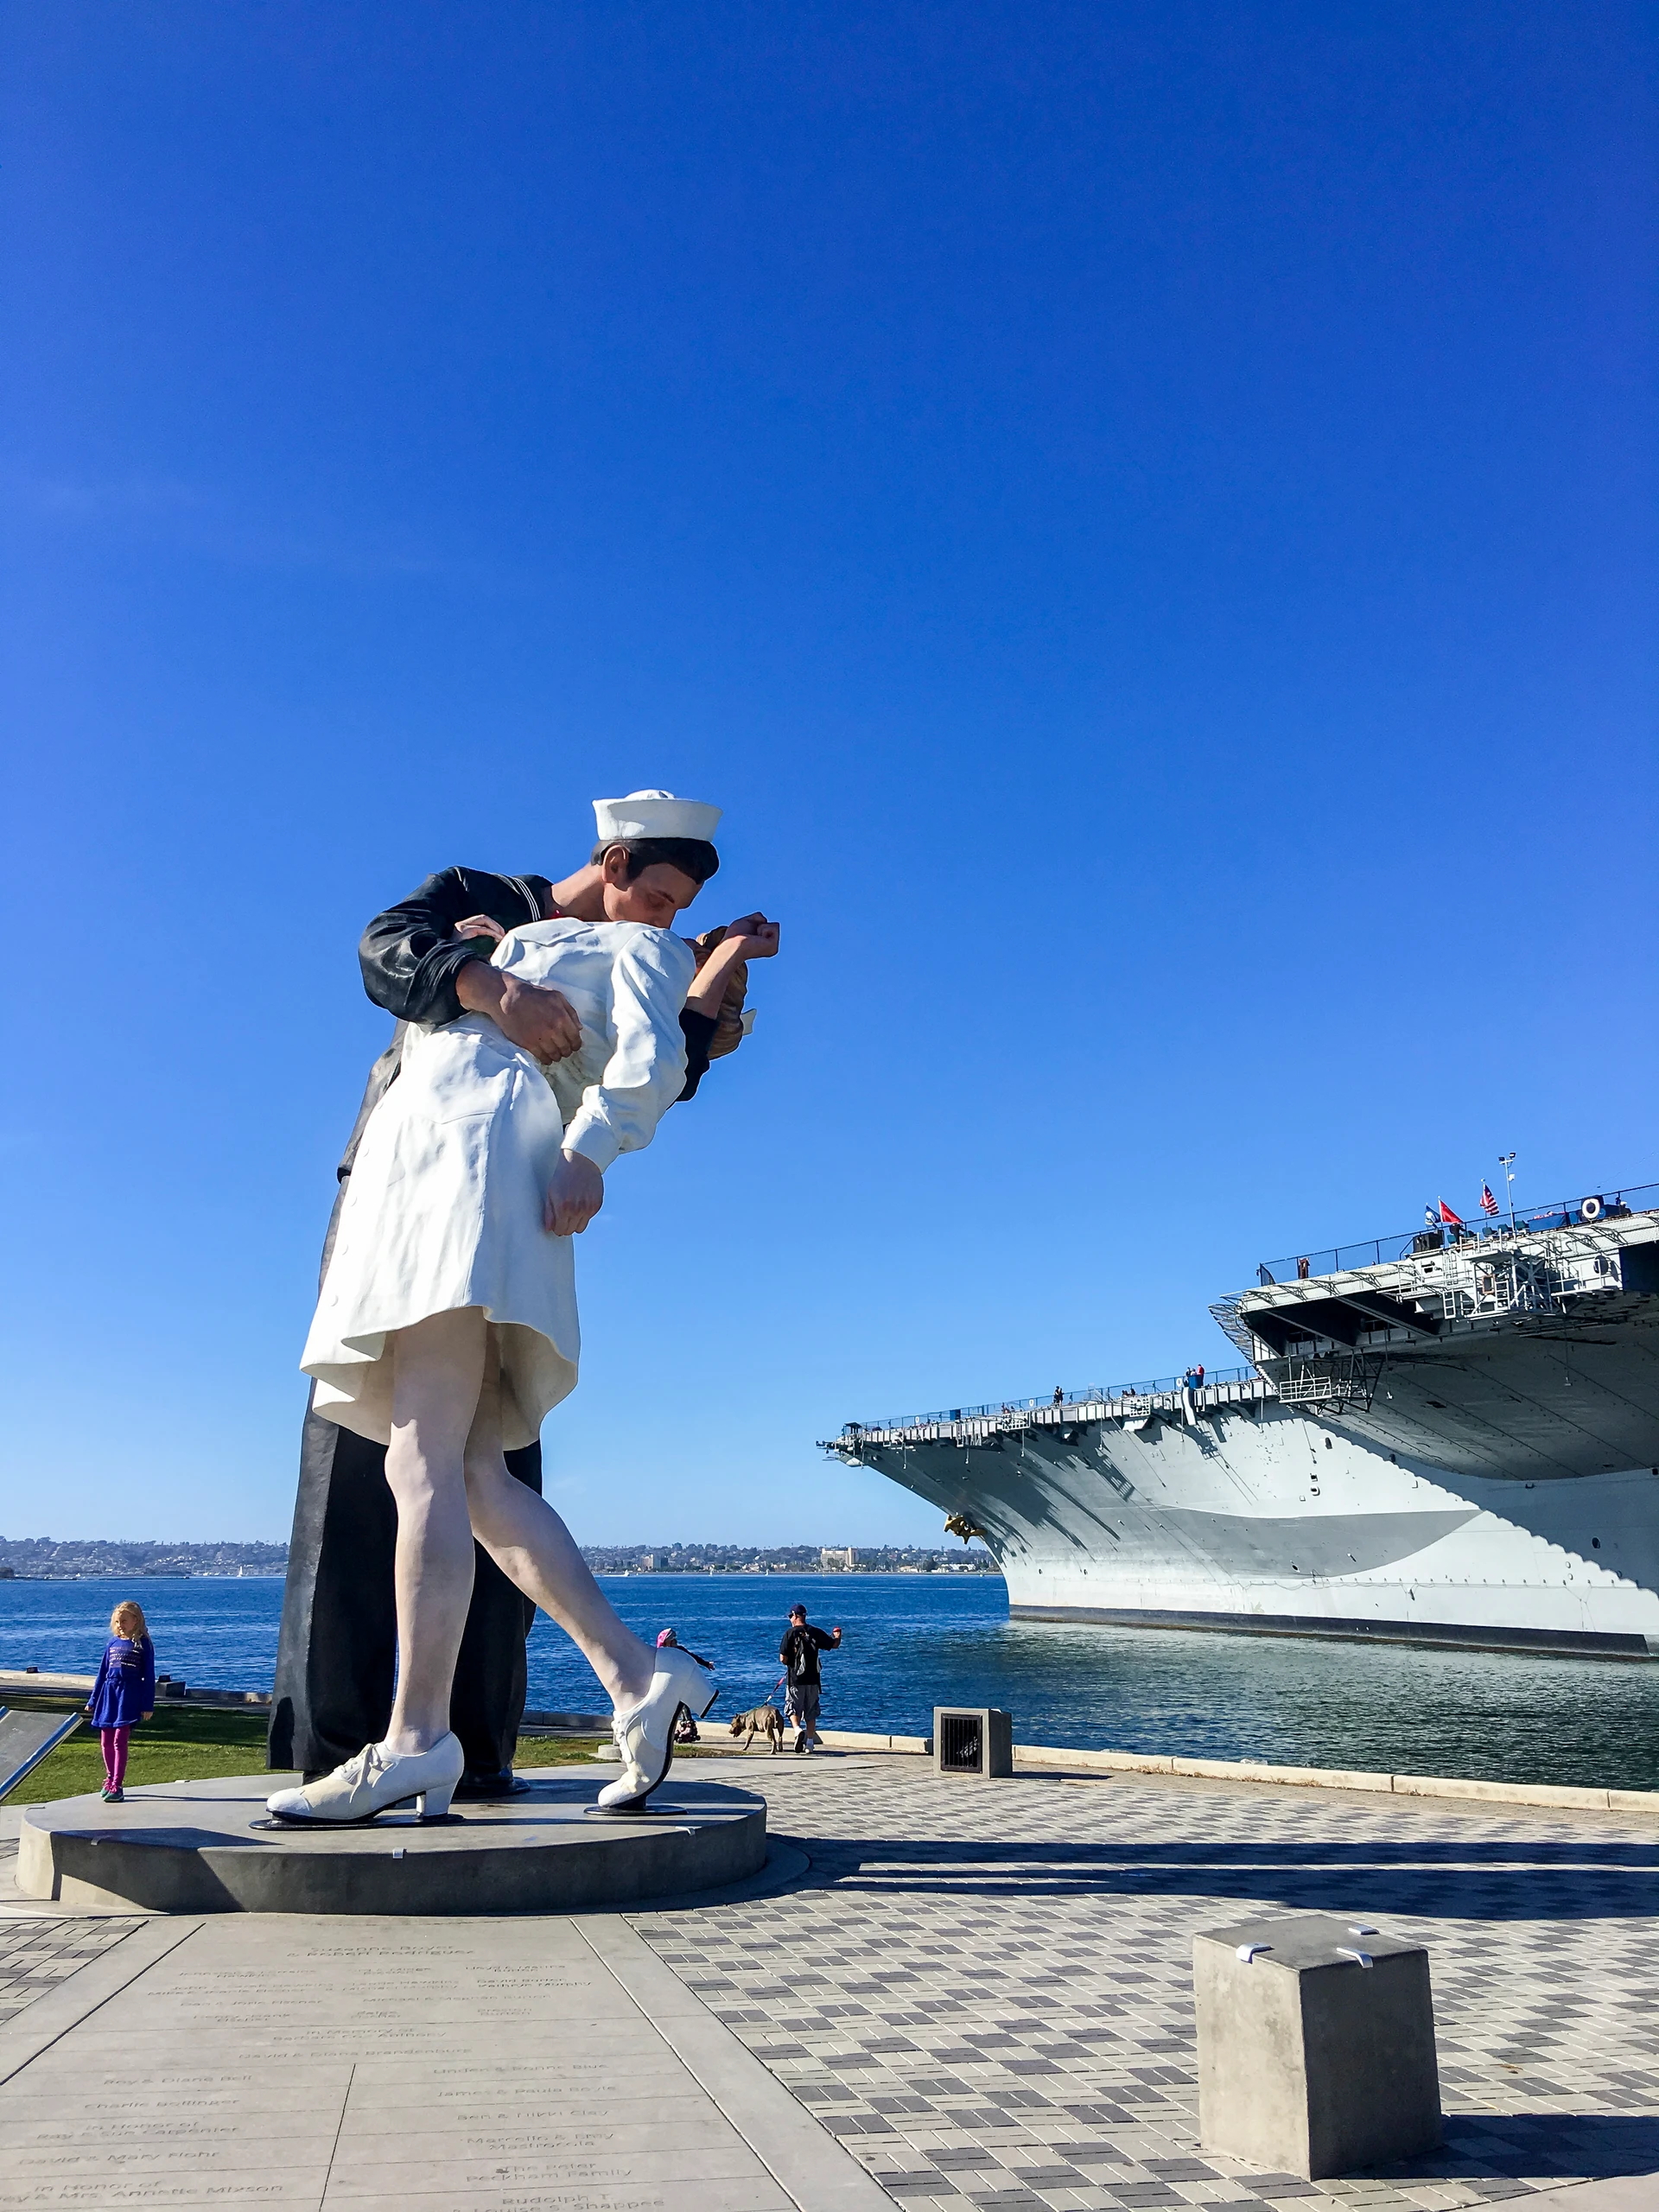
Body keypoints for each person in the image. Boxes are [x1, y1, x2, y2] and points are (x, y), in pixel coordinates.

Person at [267, 791, 776, 1826]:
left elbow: (655, 1063)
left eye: (682, 911)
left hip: (463, 1163)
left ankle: (416, 1738)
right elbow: (385, 950)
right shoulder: (516, 922)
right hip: (433, 1166)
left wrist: (592, 1145)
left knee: (422, 1460)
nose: (665, 920)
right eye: (661, 896)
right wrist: (491, 968)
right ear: (617, 858)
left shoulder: (631, 950)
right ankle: (634, 1674)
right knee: (463, 1469)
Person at [86, 1601, 156, 1803]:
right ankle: (109, 1778)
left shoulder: (142, 1644)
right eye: (117, 1621)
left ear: (136, 1620)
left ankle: (118, 1783)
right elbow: (102, 1674)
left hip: (129, 1695)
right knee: (105, 1740)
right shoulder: (112, 1643)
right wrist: (94, 1699)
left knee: (119, 1740)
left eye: (124, 1620)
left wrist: (147, 1704)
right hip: (109, 1695)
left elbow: (149, 1676)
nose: (120, 1625)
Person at [779, 1603, 842, 1754]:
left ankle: (797, 1730)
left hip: (795, 1679)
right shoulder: (815, 1632)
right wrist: (838, 1636)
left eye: (790, 1616)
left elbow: (783, 1658)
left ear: (795, 1616)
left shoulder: (790, 1633)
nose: (790, 1619)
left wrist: (790, 1664)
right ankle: (810, 1743)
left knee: (792, 1707)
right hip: (813, 1679)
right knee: (811, 1711)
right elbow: (834, 1645)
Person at [658, 1628, 714, 1742]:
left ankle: (689, 1725)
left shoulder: (679, 1650)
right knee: (674, 1704)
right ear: (667, 1643)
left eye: (675, 1639)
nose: (675, 1641)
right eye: (673, 1640)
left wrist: (706, 1664)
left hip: (681, 1680)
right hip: (670, 1683)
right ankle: (683, 1725)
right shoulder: (663, 1653)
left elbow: (693, 1657)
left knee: (682, 1702)